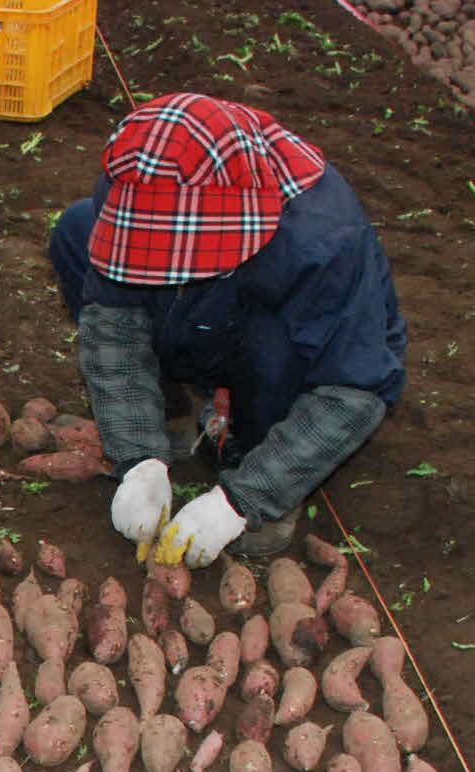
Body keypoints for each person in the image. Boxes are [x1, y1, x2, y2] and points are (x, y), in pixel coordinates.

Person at [48, 93, 408, 566]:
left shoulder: (320, 241)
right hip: (198, 319)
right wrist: (138, 455)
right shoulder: (138, 180)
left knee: (275, 347)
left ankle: (257, 447)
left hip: (283, 351)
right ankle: (166, 412)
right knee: (78, 231)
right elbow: (112, 317)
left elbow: (354, 390)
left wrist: (240, 501)